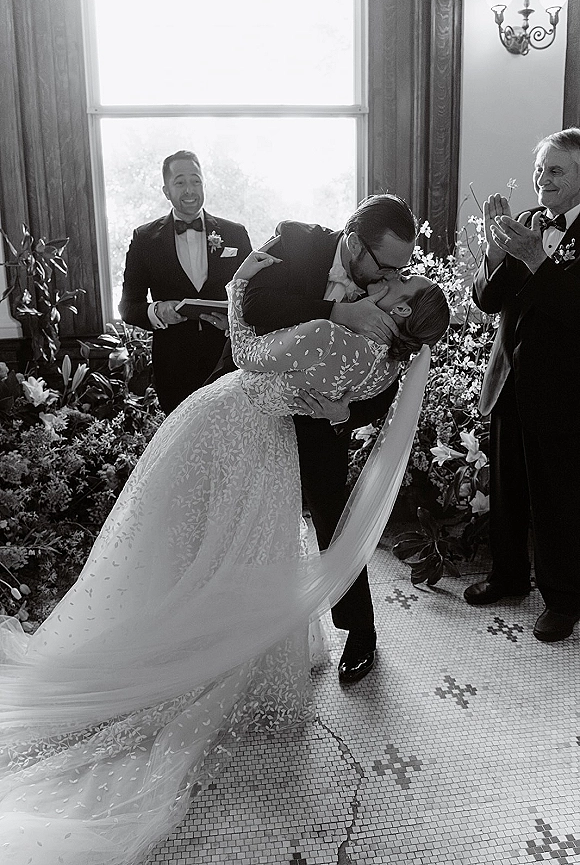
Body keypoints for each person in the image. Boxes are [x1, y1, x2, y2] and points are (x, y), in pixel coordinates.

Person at [0, 250, 449, 864]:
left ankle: (177, 635)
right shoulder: (383, 363)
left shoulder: (333, 334)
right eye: (392, 273)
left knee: (189, 541)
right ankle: (224, 635)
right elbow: (340, 396)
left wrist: (237, 287)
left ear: (397, 314)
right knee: (244, 547)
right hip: (271, 450)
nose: (388, 283)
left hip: (229, 424)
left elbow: (248, 355)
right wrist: (336, 401)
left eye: (399, 286)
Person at [210, 193, 422, 684]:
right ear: (352, 243)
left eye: (400, 268)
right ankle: (233, 627)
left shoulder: (395, 292)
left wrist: (348, 410)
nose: (391, 278)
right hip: (256, 395)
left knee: (334, 515)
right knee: (245, 509)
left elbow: (388, 372)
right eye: (385, 265)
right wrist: (336, 312)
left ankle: (360, 631)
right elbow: (256, 301)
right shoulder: (297, 239)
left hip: (321, 414)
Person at [463, 127, 580, 643]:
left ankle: (564, 598)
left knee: (557, 494)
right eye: (540, 169)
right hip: (509, 376)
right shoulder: (527, 224)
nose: (543, 179)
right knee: (507, 484)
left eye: (556, 170)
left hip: (565, 388)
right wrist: (493, 253)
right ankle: (507, 575)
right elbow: (490, 301)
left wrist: (538, 261)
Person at [118, 149, 252, 414]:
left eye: (196, 181)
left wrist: (235, 322)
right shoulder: (145, 239)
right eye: (180, 182)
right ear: (166, 190)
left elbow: (256, 295)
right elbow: (128, 306)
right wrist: (158, 311)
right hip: (173, 366)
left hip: (229, 361)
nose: (190, 189)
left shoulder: (234, 233)